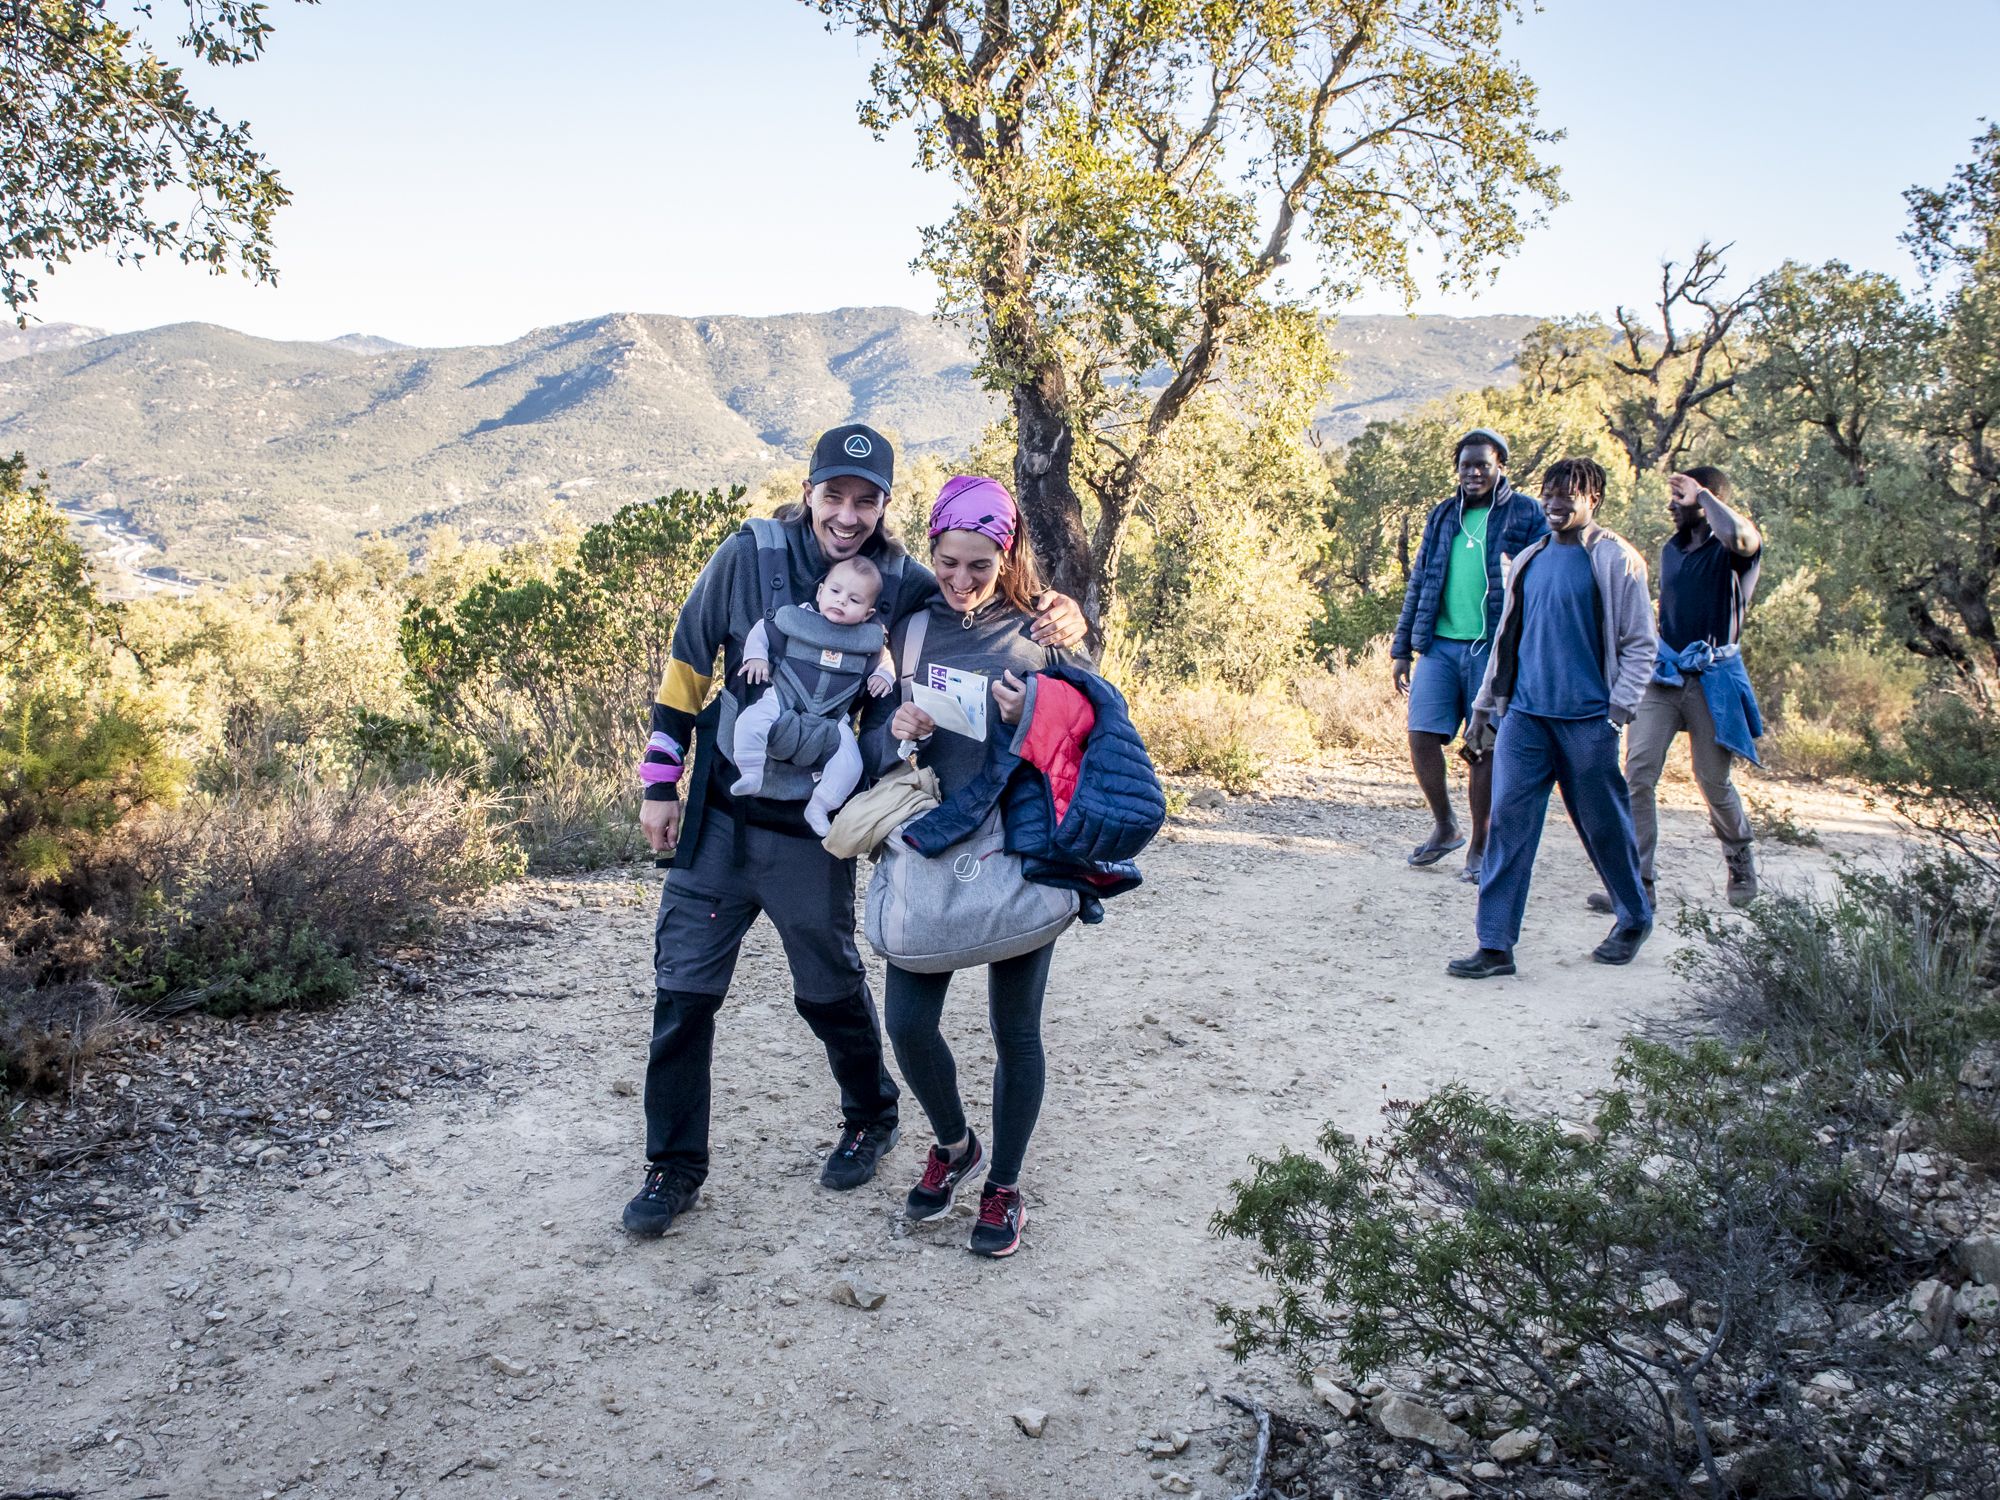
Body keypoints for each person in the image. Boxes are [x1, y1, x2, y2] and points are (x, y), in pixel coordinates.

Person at [624, 427, 1087, 1238]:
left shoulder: (908, 582)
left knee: (830, 987)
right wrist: (660, 783)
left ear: (884, 507)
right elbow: (688, 663)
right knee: (683, 994)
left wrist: (1064, 612)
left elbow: (985, 608)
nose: (846, 515)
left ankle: (874, 1116)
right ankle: (673, 1169)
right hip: (719, 818)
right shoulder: (747, 557)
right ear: (807, 492)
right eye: (833, 495)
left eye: (865, 500)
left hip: (820, 832)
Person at [863, 476, 1084, 1259]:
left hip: (1017, 849)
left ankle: (1005, 1188)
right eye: (948, 563)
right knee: (908, 1024)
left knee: (1014, 1031)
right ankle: (958, 1148)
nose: (960, 581)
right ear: (932, 553)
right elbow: (873, 749)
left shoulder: (1044, 633)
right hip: (932, 844)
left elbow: (1093, 740)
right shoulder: (911, 630)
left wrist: (1040, 715)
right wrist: (896, 730)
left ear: (1007, 555)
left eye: (979, 568)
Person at [1448, 457, 1657, 979]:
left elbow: (1639, 645)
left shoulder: (1616, 560)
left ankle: (1633, 917)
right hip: (1525, 717)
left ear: (1595, 500)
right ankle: (1495, 945)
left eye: (1570, 494)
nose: (1556, 502)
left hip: (1588, 722)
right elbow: (1505, 641)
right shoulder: (1530, 559)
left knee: (1603, 825)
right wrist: (1484, 709)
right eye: (1550, 493)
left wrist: (1618, 711)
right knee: (1508, 827)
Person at [1586, 465, 1763, 914]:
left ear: (1706, 501)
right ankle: (1635, 882)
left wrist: (1701, 495)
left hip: (1715, 680)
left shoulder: (1735, 551)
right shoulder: (1670, 549)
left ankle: (1739, 856)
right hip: (1664, 677)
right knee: (1637, 774)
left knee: (1712, 781)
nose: (1671, 504)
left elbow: (1740, 536)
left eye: (1679, 496)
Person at [1391, 429, 1550, 883]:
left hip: (1494, 649)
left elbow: (1539, 578)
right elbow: (1420, 581)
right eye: (1466, 465)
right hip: (1439, 645)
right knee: (1421, 735)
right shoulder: (1443, 516)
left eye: (1482, 464)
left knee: (1482, 748)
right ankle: (1446, 826)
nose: (1473, 472)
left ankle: (1480, 846)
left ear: (1501, 465)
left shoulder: (1525, 514)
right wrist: (1402, 647)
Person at [729, 554, 896, 836]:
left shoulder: (868, 640)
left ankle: (819, 806)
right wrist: (756, 657)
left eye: (855, 600)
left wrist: (883, 676)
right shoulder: (800, 616)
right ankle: (751, 771)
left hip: (833, 718)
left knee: (851, 763)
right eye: (835, 591)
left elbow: (886, 661)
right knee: (750, 721)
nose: (841, 601)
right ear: (820, 592)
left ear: (868, 613)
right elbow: (763, 631)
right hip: (782, 700)